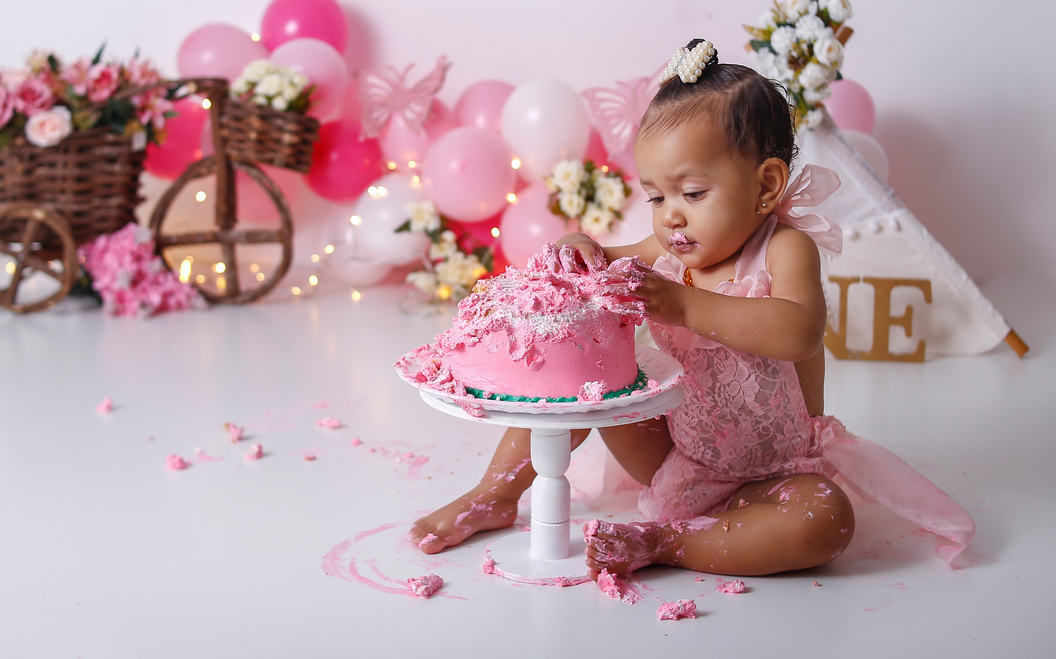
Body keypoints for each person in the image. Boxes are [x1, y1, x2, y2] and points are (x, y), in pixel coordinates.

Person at [409, 39, 974, 578]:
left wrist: (686, 304)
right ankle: (495, 494)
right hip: (677, 453)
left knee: (825, 518)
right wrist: (583, 247)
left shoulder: (784, 249)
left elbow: (798, 330)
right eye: (657, 197)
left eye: (693, 194)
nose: (670, 216)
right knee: (584, 380)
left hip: (772, 470)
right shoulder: (669, 249)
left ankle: (666, 543)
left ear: (766, 185)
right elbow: (606, 260)